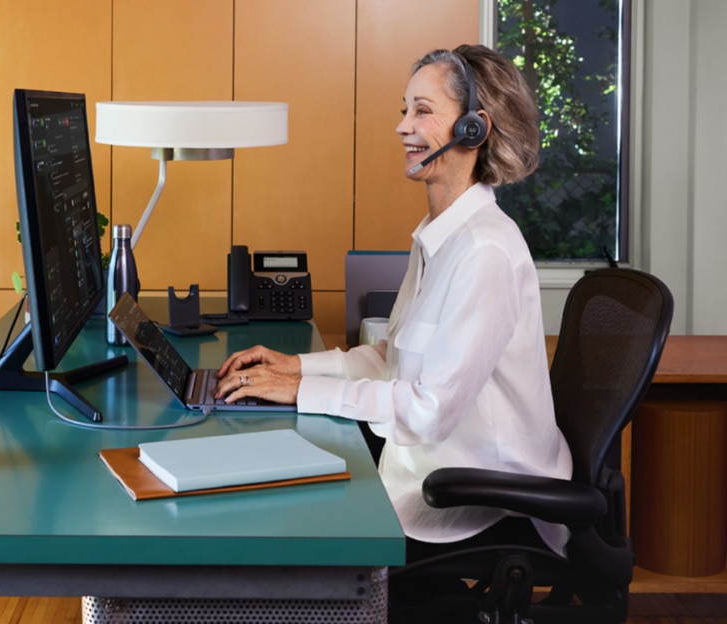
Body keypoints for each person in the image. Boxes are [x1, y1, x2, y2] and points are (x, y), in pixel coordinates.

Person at [215, 44, 572, 568]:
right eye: (404, 111)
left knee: (283, 534)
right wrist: (296, 368)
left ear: (474, 129)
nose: (403, 127)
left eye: (422, 111)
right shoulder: (438, 236)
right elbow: (392, 358)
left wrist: (302, 391)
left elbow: (427, 412)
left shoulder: (486, 251)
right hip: (422, 475)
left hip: (477, 501)